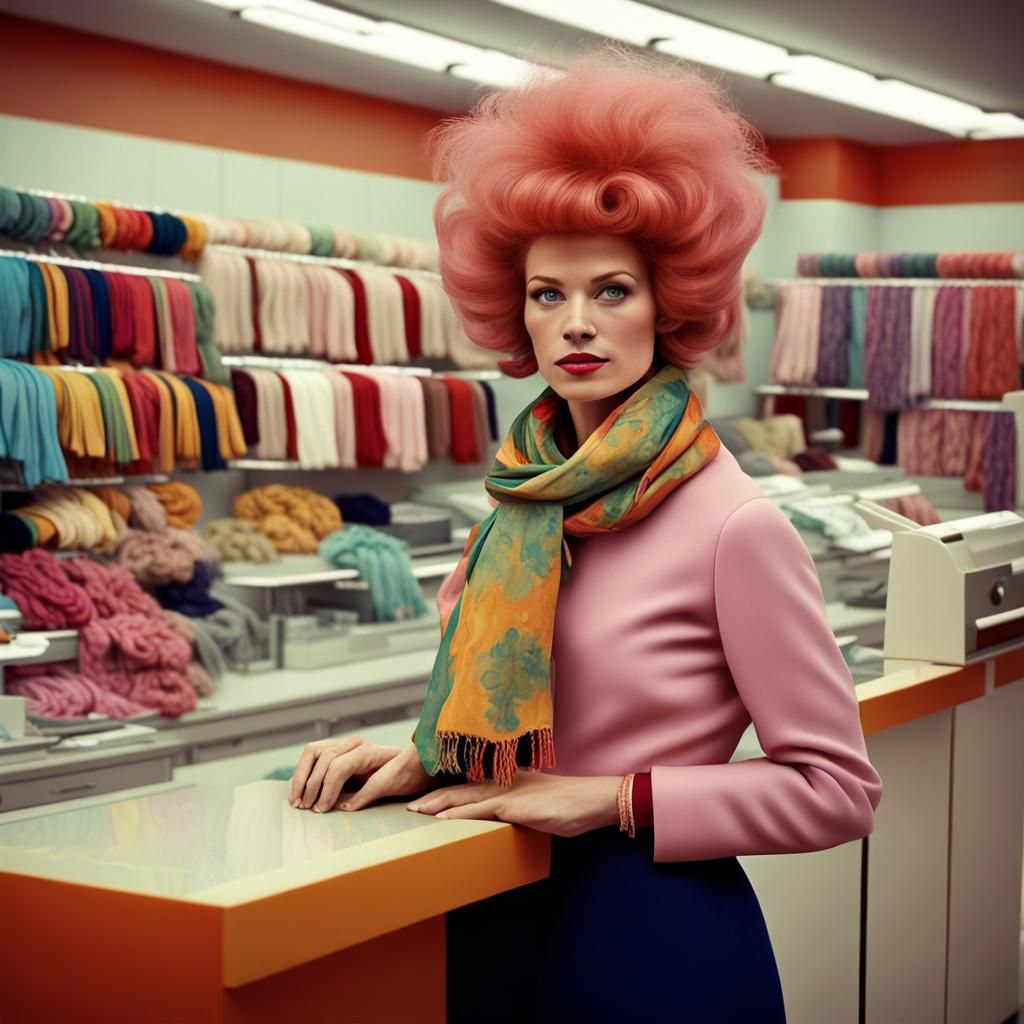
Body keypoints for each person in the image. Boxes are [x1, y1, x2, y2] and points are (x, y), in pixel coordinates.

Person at [290, 46, 883, 1023]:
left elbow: (835, 789)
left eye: (610, 289)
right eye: (547, 293)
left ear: (669, 301)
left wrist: (610, 798)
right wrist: (422, 753)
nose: (576, 323)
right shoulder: (521, 504)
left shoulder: (732, 523)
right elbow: (509, 716)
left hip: (648, 938)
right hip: (488, 915)